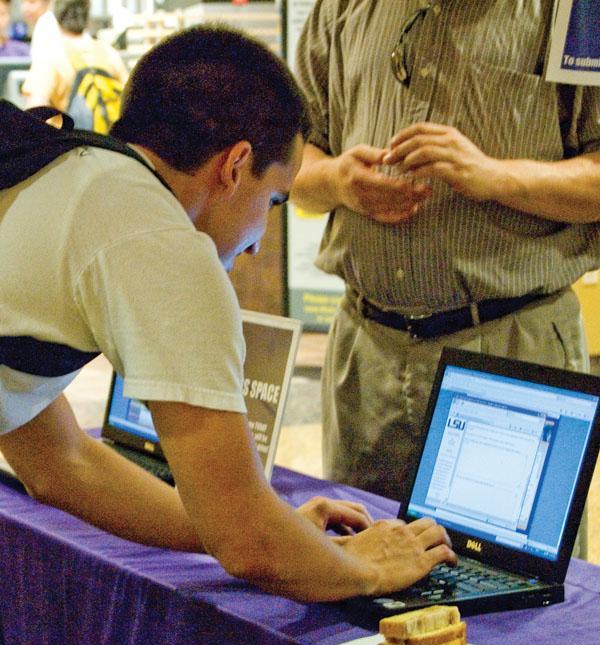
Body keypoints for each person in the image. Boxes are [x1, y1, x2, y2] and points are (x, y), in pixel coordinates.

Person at [0, 25, 455, 602]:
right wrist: (367, 569)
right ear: (236, 165)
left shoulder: (67, 172)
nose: (261, 241)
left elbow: (58, 463)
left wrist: (280, 530)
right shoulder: (162, 243)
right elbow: (249, 545)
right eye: (272, 201)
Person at [290, 0, 600, 555]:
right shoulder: (339, 10)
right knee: (355, 583)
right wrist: (336, 180)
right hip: (367, 353)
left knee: (510, 589)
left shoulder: (571, 13)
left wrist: (494, 176)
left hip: (509, 352)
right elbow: (296, 168)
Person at [22, 0, 127, 119]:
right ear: (87, 15)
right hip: (106, 136)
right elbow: (129, 102)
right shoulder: (109, 53)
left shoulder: (50, 56)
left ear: (56, 14)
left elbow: (34, 113)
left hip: (70, 135)